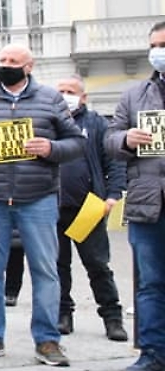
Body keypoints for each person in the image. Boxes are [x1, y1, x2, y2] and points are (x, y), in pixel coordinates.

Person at [0, 43, 85, 367]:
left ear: (29, 66)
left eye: (13, 61)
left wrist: (51, 148)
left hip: (39, 198)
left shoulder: (50, 98)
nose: (5, 64)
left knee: (45, 269)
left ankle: (47, 340)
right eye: (1, 60)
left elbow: (76, 143)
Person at [106, 21, 165, 371]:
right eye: (155, 45)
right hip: (147, 202)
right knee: (150, 283)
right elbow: (109, 140)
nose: (158, 51)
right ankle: (153, 354)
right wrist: (127, 138)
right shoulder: (133, 96)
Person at [54, 75, 127, 342]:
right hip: (52, 207)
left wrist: (112, 195)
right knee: (57, 266)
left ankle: (112, 317)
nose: (64, 95)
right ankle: (63, 314)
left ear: (83, 97)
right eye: (60, 90)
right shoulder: (48, 123)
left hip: (88, 208)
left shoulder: (97, 124)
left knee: (97, 265)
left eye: (70, 91)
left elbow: (115, 162)